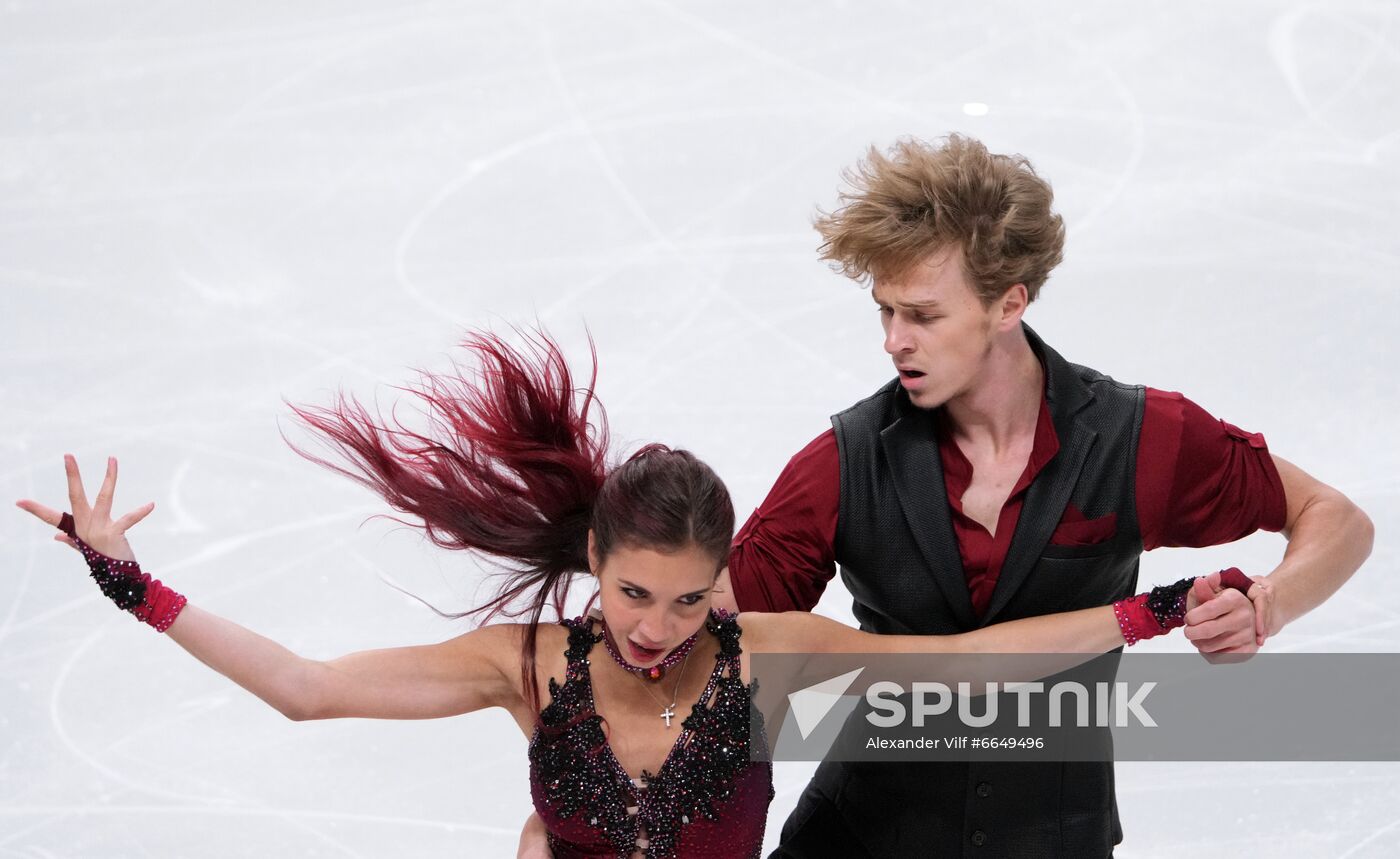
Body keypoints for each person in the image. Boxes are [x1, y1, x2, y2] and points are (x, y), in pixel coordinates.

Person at [17, 330, 1260, 859]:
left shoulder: (764, 650)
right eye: (629, 593)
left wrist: (1146, 610)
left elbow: (964, 664)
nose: (654, 627)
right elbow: (307, 689)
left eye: (681, 598)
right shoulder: (534, 668)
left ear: (724, 578)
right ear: (593, 569)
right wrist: (135, 585)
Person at [695, 133, 1375, 857]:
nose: (895, 340)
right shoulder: (846, 461)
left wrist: (1268, 602)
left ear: (1008, 303)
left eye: (923, 315)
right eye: (885, 311)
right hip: (860, 837)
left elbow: (1337, 518)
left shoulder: (1135, 436)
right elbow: (707, 633)